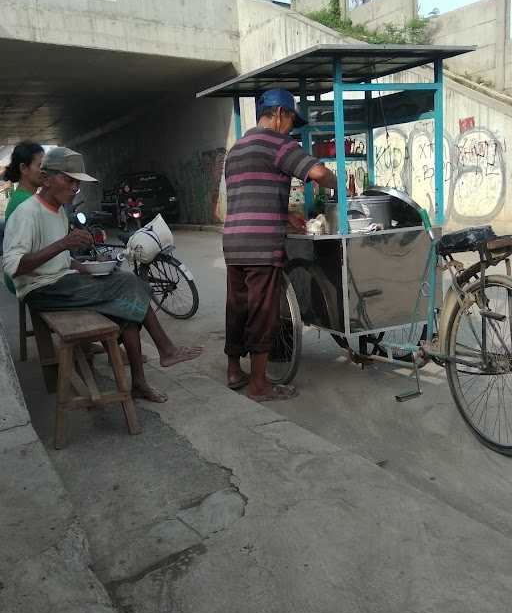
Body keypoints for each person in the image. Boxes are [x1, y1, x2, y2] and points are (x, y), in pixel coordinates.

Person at [3, 146, 202, 403]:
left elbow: (60, 259)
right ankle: (166, 349)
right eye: (69, 180)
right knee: (129, 282)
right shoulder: (27, 213)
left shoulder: (60, 212)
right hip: (41, 290)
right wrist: (63, 244)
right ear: (47, 179)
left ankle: (139, 382)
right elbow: (14, 267)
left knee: (127, 306)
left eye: (77, 183)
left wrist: (86, 266)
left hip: (62, 282)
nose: (74, 188)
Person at [223, 88, 337, 402]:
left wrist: (285, 216)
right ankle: (259, 384)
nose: (290, 128)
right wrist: (338, 183)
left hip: (234, 242)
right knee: (263, 312)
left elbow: (248, 195)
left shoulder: (237, 148)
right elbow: (317, 172)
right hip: (261, 244)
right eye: (290, 120)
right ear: (277, 114)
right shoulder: (278, 143)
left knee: (238, 307)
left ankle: (234, 371)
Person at [2, 141, 44, 294]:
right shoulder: (24, 202)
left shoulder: (24, 197)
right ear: (23, 168)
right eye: (40, 166)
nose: (44, 171)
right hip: (22, 278)